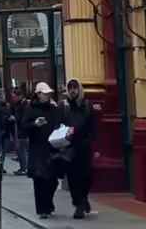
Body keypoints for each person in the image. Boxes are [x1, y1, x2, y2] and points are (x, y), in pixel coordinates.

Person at [22, 82, 64, 220]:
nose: (48, 96)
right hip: (37, 148)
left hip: (51, 147)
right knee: (39, 180)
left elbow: (59, 122)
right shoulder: (31, 108)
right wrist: (34, 124)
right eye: (45, 93)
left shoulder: (54, 108)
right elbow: (23, 126)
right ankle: (42, 209)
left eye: (49, 93)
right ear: (38, 94)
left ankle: (48, 202)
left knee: (52, 180)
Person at [61, 79, 96, 219]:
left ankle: (84, 197)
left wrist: (96, 147)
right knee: (72, 178)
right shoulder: (65, 107)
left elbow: (93, 128)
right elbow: (60, 125)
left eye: (75, 88)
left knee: (86, 176)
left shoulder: (87, 106)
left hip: (84, 146)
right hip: (69, 147)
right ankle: (78, 206)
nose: (72, 90)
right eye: (70, 88)